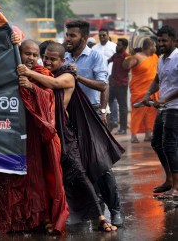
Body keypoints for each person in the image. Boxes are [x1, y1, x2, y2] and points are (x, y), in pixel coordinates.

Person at [19, 41, 120, 232]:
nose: (47, 62)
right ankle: (51, 217)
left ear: (62, 60)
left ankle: (101, 216)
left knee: (79, 174)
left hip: (63, 135)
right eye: (46, 57)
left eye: (53, 59)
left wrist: (29, 78)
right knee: (51, 177)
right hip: (42, 133)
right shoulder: (44, 73)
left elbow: (53, 88)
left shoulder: (67, 76)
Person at [0, 40, 69, 234]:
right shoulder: (8, 70)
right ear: (18, 53)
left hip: (34, 134)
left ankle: (38, 218)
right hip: (11, 133)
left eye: (34, 55)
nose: (31, 58)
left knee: (35, 178)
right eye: (27, 54)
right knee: (9, 177)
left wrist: (32, 88)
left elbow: (50, 99)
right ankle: (10, 219)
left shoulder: (42, 73)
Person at [64, 20, 124, 227]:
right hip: (69, 116)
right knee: (76, 167)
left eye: (72, 35)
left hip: (90, 114)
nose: (67, 39)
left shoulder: (95, 56)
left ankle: (116, 210)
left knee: (101, 165)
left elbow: (102, 85)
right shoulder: (63, 56)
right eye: (67, 35)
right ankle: (89, 212)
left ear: (83, 37)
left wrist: (76, 76)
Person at [141, 25, 178, 196]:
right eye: (159, 40)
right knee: (156, 143)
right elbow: (157, 78)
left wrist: (164, 99)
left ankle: (176, 187)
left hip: (175, 108)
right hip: (164, 108)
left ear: (174, 40)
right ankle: (169, 180)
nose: (161, 43)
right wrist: (148, 93)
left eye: (164, 40)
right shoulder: (161, 59)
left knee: (170, 145)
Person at [123, 38, 158, 143]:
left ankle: (148, 134)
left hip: (153, 91)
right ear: (150, 46)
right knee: (137, 113)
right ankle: (133, 135)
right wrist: (129, 56)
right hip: (139, 91)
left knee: (151, 114)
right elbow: (126, 66)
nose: (156, 48)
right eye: (155, 46)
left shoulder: (154, 57)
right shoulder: (137, 57)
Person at [92, 28, 118, 130]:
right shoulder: (94, 48)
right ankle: (103, 120)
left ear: (108, 35)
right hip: (98, 79)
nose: (102, 37)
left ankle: (114, 120)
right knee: (100, 100)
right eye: (100, 35)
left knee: (112, 100)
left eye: (104, 35)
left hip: (111, 77)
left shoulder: (114, 47)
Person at [107, 38, 131, 134]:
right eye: (117, 44)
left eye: (119, 45)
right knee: (107, 104)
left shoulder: (126, 57)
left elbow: (126, 67)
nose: (117, 46)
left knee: (123, 107)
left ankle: (123, 128)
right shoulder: (116, 55)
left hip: (121, 85)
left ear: (125, 47)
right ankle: (112, 123)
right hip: (113, 84)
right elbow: (108, 61)